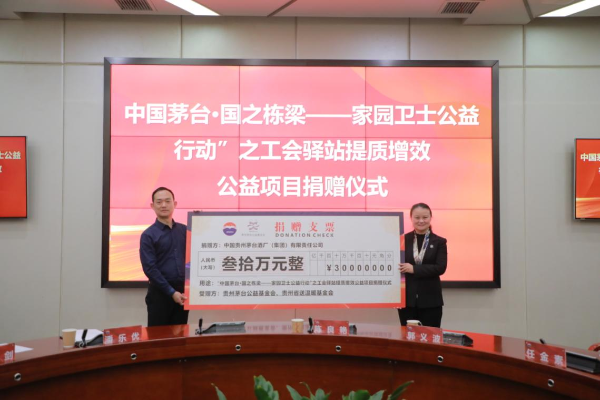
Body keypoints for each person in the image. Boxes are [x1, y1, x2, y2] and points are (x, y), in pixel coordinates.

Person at [140, 187, 189, 327]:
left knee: (180, 335)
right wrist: (171, 292)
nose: (163, 205)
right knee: (158, 337)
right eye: (159, 202)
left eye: (168, 201)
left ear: (175, 204)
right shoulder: (148, 235)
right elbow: (150, 269)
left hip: (183, 294)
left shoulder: (185, 230)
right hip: (160, 294)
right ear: (152, 206)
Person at [398, 203, 447, 328]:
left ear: (430, 217)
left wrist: (414, 269)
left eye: (425, 217)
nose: (421, 221)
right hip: (407, 301)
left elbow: (440, 267)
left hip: (431, 301)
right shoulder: (402, 240)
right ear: (411, 218)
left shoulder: (439, 242)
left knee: (431, 337)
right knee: (407, 337)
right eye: (417, 217)